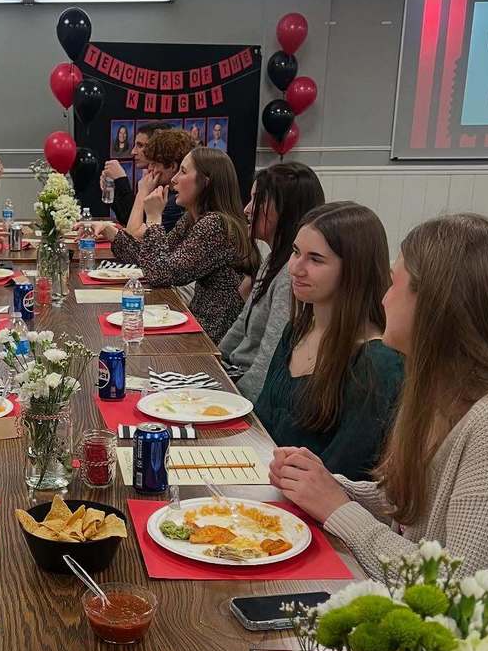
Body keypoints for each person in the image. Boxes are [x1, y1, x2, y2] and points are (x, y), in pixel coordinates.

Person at [271, 213, 488, 614]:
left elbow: (458, 598)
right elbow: (415, 505)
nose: (383, 297)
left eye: (395, 284)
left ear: (436, 306)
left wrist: (338, 509)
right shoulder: (441, 391)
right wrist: (332, 486)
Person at [255, 201, 404, 482]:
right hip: (264, 486)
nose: (296, 268)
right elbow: (261, 426)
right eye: (296, 252)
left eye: (315, 259)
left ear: (354, 270)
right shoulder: (296, 330)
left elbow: (346, 471)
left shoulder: (377, 361)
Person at [94, 147, 256, 342]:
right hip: (194, 324)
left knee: (120, 336)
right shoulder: (192, 218)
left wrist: (154, 218)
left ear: (206, 182)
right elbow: (152, 258)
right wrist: (113, 234)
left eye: (184, 172)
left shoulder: (216, 224)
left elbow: (160, 275)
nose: (174, 179)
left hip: (208, 339)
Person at [220, 163, 326, 401]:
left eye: (257, 200)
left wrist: (234, 402)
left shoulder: (291, 276)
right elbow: (239, 328)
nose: (247, 209)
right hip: (234, 376)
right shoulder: (272, 259)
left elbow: (268, 360)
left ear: (285, 210)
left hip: (246, 390)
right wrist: (212, 363)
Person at [124, 127, 196, 236]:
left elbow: (131, 241)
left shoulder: (176, 202)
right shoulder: (166, 193)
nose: (150, 169)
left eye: (154, 164)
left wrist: (142, 193)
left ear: (172, 166)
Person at [101, 120, 171, 225]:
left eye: (140, 145)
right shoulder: (149, 179)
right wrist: (113, 193)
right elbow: (127, 218)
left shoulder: (169, 189)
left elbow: (135, 229)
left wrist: (121, 180)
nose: (133, 152)